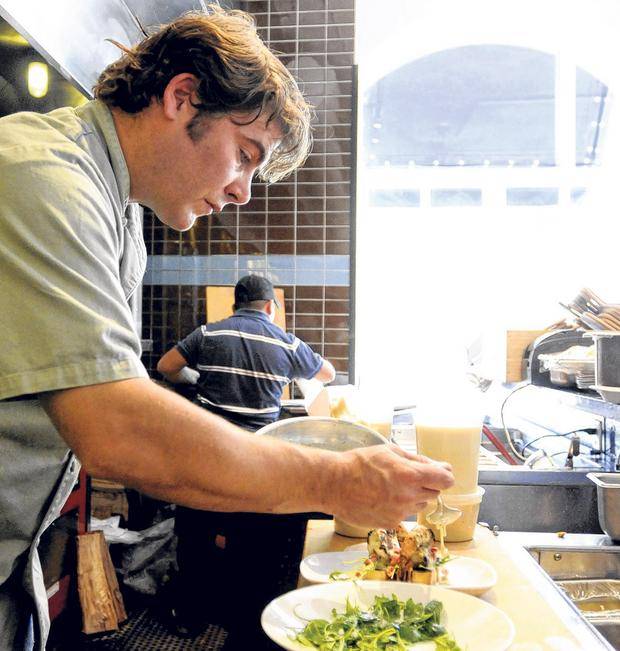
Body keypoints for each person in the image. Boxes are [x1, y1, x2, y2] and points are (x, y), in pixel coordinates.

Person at [0, 5, 454, 650]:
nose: (243, 191)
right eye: (244, 156)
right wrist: (335, 481)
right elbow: (115, 428)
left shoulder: (121, 213)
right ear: (181, 97)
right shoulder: (41, 176)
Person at [157, 274, 336, 643]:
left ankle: (190, 616)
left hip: (207, 454)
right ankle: (243, 619)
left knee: (196, 535)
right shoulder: (285, 341)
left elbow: (165, 366)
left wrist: (195, 379)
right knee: (250, 540)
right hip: (254, 460)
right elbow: (328, 374)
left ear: (234, 305)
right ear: (270, 306)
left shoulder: (208, 333)